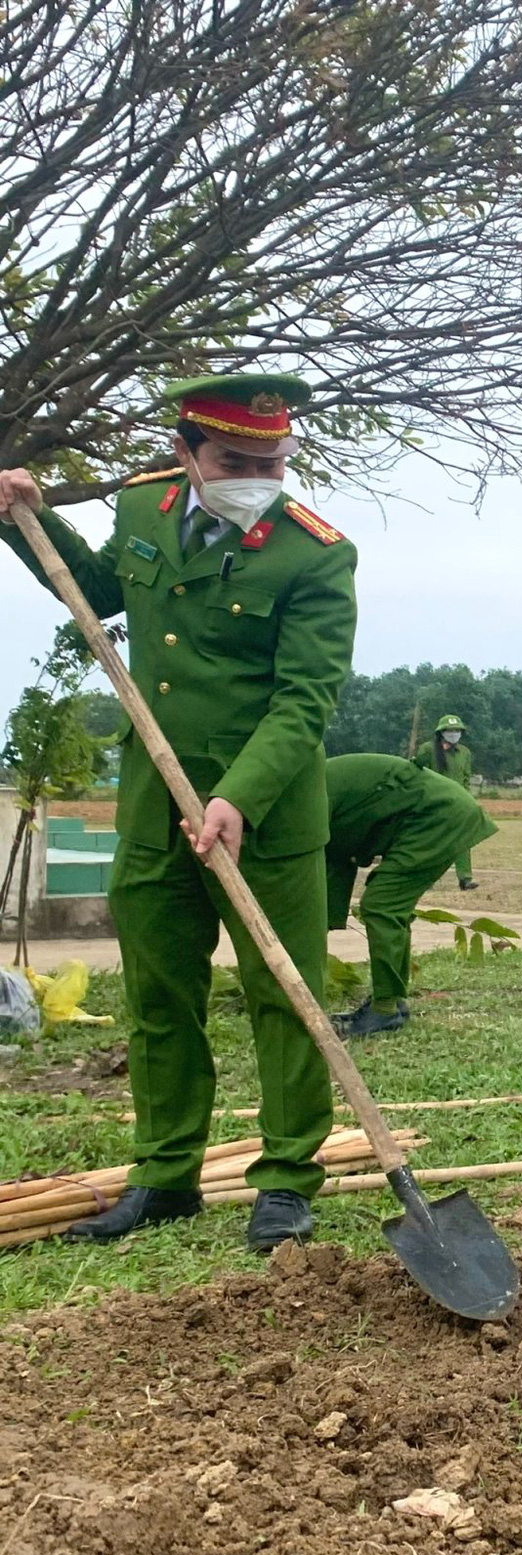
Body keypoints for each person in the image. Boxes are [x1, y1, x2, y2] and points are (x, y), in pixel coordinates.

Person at [0, 373, 356, 1251]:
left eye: (272, 462)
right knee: (160, 996)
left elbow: (305, 698)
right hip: (155, 804)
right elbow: (98, 589)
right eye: (235, 461)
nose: (256, 477)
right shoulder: (143, 511)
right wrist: (24, 522)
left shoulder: (316, 554)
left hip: (264, 811)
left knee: (285, 995)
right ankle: (165, 1174)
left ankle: (284, 1180)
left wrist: (238, 794)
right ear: (185, 454)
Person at [323, 753, 497, 1038]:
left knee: (382, 905)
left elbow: (319, 856)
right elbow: (339, 856)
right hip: (433, 814)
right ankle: (391, 1001)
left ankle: (385, 1009)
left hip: (437, 815)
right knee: (389, 907)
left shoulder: (305, 796)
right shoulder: (312, 786)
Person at [418, 714, 479, 890]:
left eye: (457, 731)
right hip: (434, 802)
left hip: (458, 803)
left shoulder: (465, 753)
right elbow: (417, 773)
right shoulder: (428, 749)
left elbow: (466, 778)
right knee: (431, 842)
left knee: (462, 841)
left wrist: (469, 801)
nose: (454, 734)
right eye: (450, 730)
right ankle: (425, 878)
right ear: (441, 732)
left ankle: (465, 878)